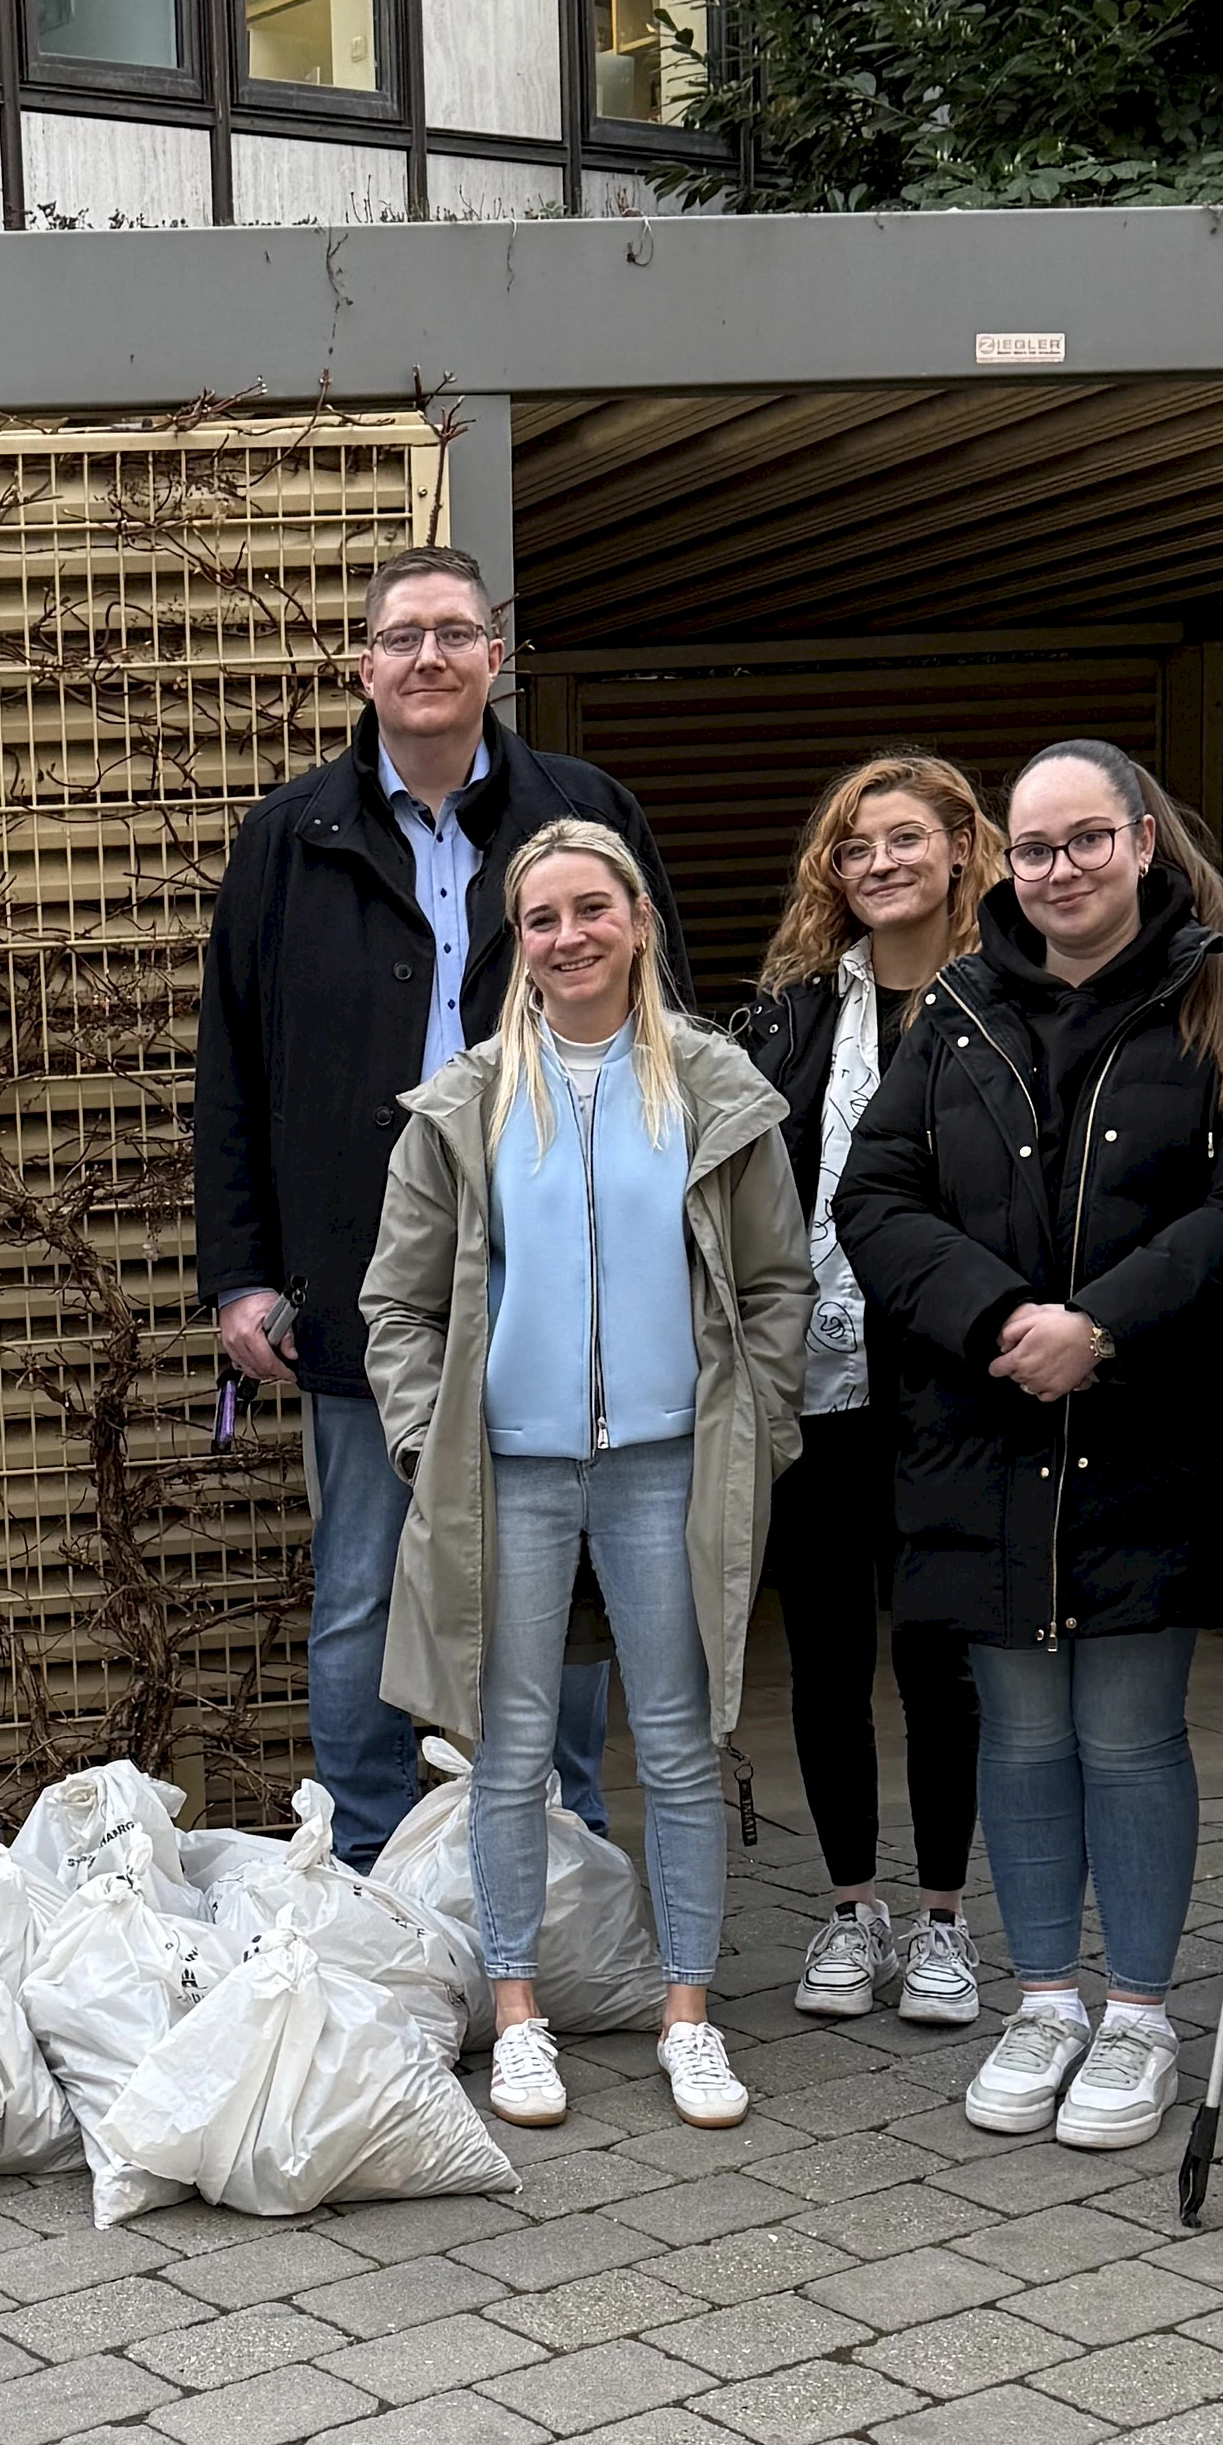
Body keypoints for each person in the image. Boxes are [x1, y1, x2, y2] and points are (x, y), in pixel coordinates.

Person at [837, 740, 1223, 2151]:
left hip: (1149, 1429)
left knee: (1126, 1732)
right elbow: (876, 1194)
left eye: (1085, 839)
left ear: (1146, 839)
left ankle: (1141, 2017)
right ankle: (1044, 1997)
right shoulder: (963, 1008)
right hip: (983, 1430)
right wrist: (998, 1318)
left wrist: (1101, 1326)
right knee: (1022, 1736)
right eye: (1035, 849)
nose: (1059, 870)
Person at [196, 541, 697, 1865]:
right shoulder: (287, 839)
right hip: (367, 1276)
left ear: (494, 657)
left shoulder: (584, 814)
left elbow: (664, 1035)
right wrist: (242, 1275)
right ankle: (367, 1857)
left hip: (562, 1266)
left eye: (454, 634)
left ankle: (567, 1840)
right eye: (403, 635)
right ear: (363, 666)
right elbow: (231, 1072)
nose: (429, 657)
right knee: (364, 1582)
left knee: (563, 1576)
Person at [361, 825, 807, 2133]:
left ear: (638, 922)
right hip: (509, 1471)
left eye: (592, 909)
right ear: (522, 942)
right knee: (504, 1759)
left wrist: (759, 1429)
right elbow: (397, 1305)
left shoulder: (717, 1090)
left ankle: (689, 2017)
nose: (570, 936)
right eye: (543, 917)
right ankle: (518, 2020)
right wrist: (416, 1444)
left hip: (671, 1463)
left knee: (680, 1748)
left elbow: (778, 1285)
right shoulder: (472, 1099)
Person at [732, 756, 995, 2034]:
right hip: (817, 1373)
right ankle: (850, 1909)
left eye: (905, 838)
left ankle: (944, 1919)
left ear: (961, 847)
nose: (879, 863)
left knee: (940, 1656)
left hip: (952, 1378)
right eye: (854, 846)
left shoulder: (1009, 998)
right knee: (827, 1657)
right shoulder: (786, 1012)